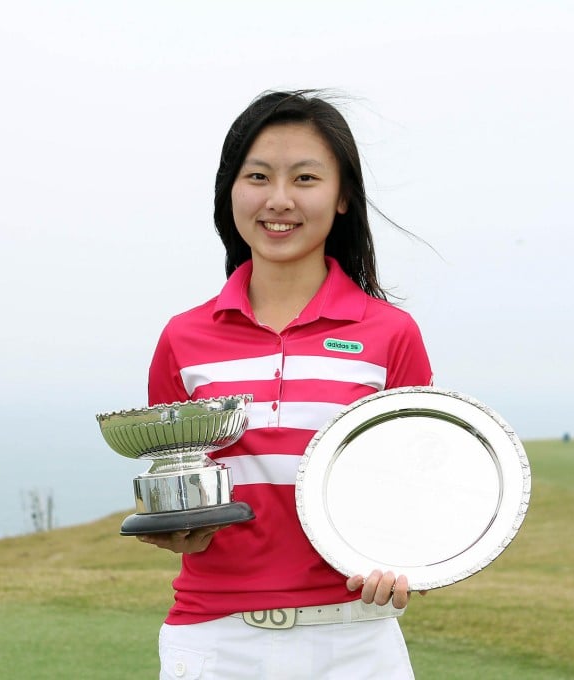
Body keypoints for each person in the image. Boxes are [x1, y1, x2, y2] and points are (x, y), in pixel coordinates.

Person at [141, 90, 434, 679]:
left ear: (343, 195)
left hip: (355, 643)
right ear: (230, 191)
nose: (279, 200)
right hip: (215, 641)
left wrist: (407, 559)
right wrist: (173, 530)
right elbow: (175, 483)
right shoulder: (183, 339)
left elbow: (416, 490)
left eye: (305, 178)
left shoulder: (391, 336)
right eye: (258, 176)